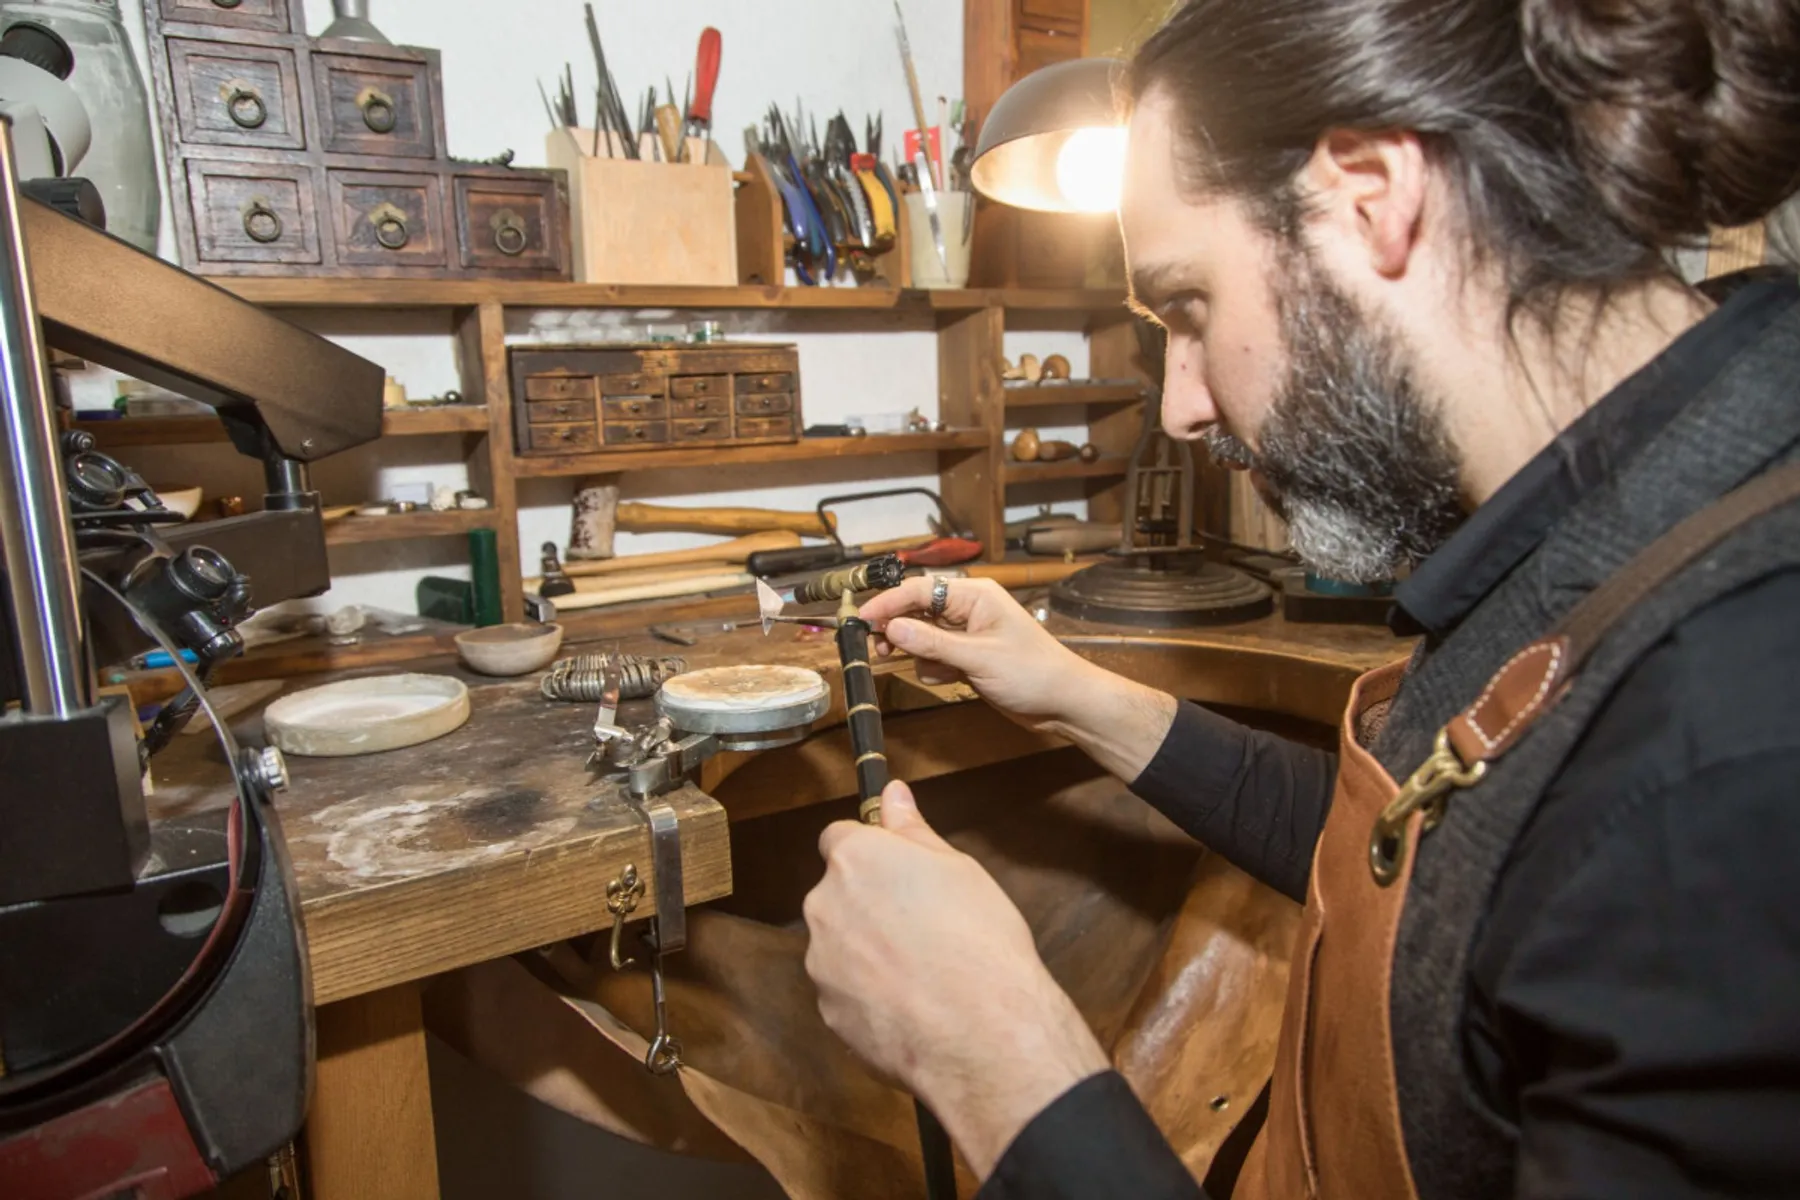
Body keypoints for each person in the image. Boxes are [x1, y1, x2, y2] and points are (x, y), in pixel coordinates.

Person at [800, 1, 1800, 1197]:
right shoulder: (1611, 509)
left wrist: (1001, 1064)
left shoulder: (1731, 752)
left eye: (1188, 308)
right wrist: (1075, 697)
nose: (1181, 404)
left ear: (1371, 196)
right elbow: (1430, 867)